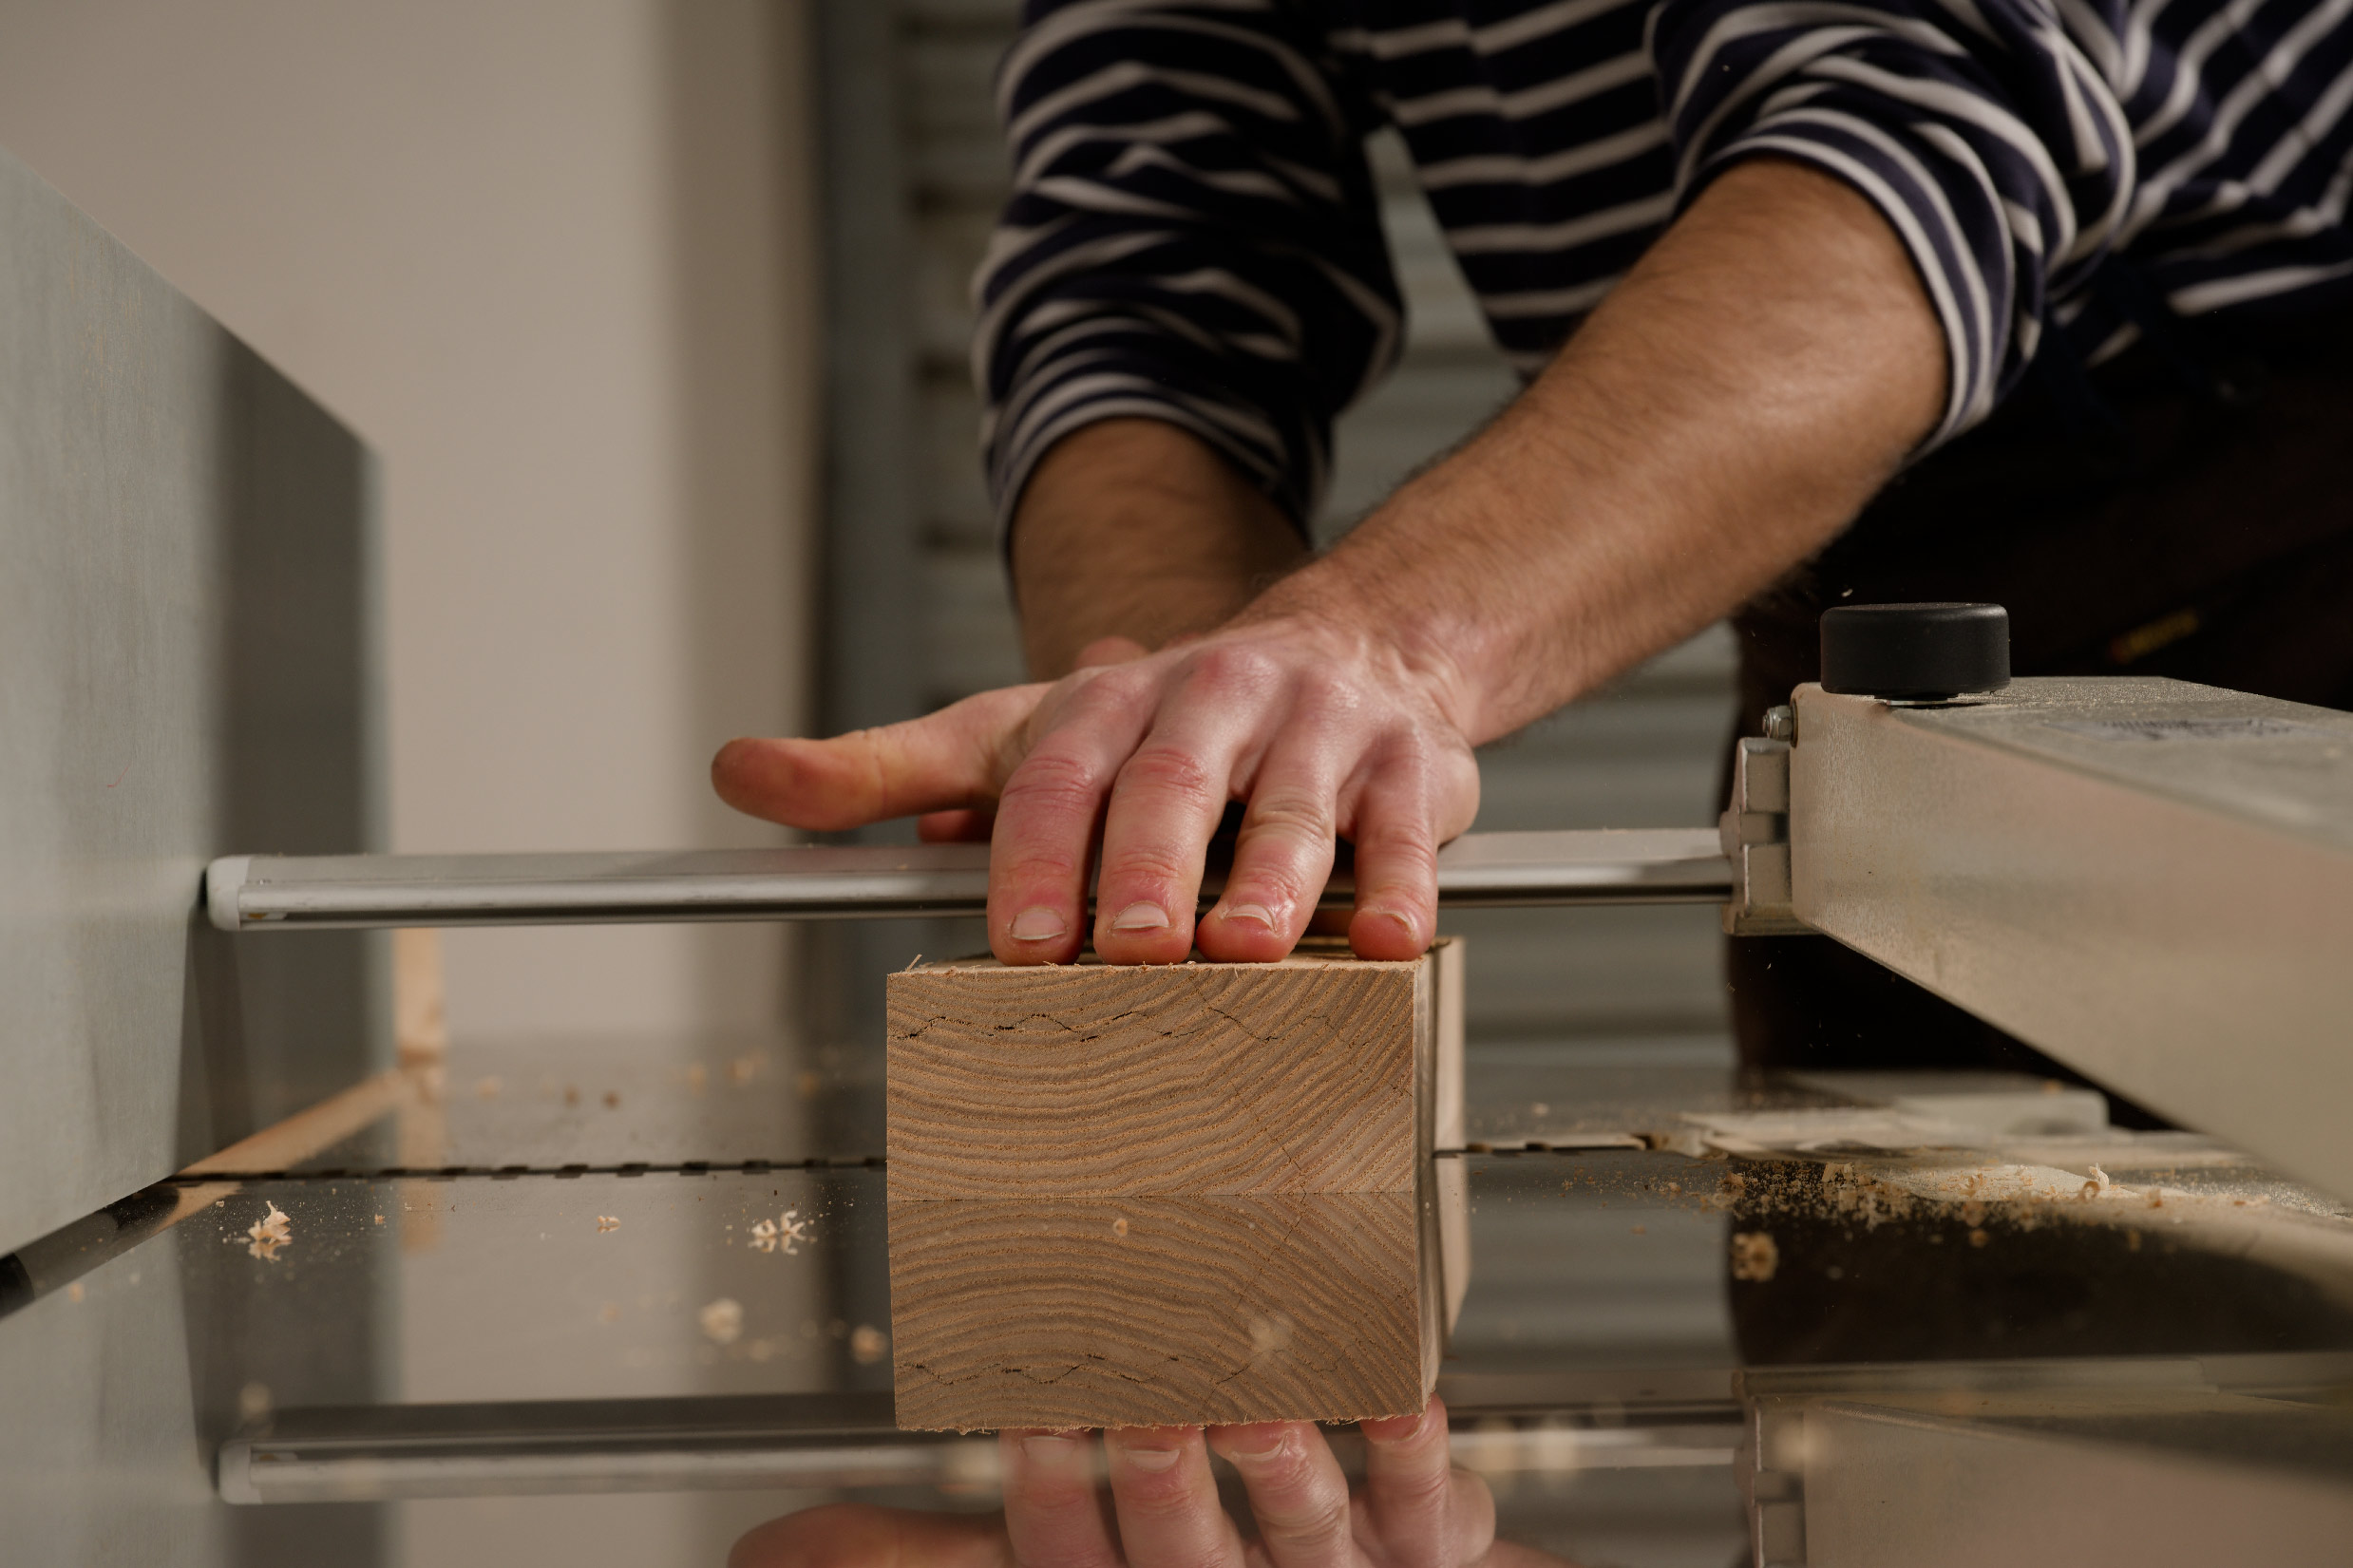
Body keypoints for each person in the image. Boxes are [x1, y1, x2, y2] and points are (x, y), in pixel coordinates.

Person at [717, 1, 2353, 1559]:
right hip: (1867, 588)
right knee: (1896, 1450)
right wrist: (1163, 743)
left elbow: (1928, 128)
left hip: (2281, 488)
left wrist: (1386, 652)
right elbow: (1149, 258)